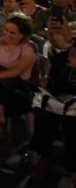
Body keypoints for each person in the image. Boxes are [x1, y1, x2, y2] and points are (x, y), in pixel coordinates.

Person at [0, 14, 37, 166]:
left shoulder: (29, 47)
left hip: (20, 89)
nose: (7, 35)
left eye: (13, 33)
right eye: (6, 30)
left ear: (23, 35)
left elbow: (18, 70)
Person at [31, 45, 76, 177]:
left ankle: (72, 166)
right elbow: (54, 80)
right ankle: (44, 155)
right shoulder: (60, 58)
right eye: (71, 53)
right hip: (60, 98)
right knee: (44, 112)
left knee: (72, 121)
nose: (70, 57)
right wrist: (47, 83)